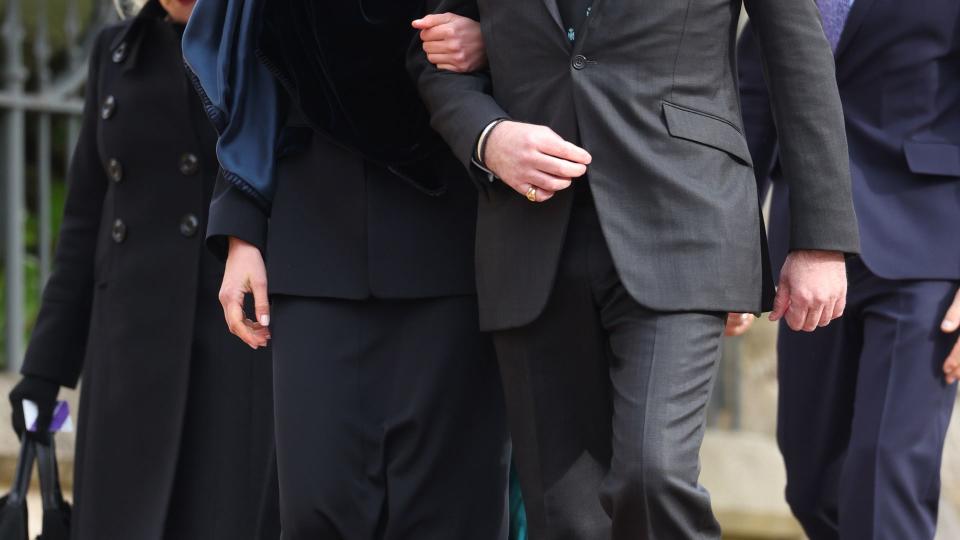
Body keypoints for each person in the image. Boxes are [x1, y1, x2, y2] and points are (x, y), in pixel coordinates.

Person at [410, 1, 860, 538]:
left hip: (685, 219)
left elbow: (799, 56)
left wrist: (820, 243)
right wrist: (488, 136)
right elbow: (432, 51)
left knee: (654, 474)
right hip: (528, 233)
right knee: (568, 519)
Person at [183, 1, 510, 538]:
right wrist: (242, 230)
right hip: (314, 243)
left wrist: (493, 41)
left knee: (449, 512)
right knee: (317, 506)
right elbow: (256, 61)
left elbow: (567, 37)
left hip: (453, 249)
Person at [6, 1, 279, 539]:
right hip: (125, 349)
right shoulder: (115, 50)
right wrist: (43, 370)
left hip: (227, 340)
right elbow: (84, 220)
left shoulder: (258, 40)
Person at [738, 1, 960, 538]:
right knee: (814, 486)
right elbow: (754, 95)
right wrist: (732, 245)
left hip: (926, 248)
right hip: (805, 247)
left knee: (886, 479)